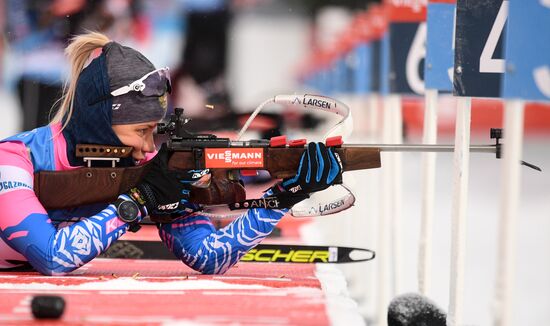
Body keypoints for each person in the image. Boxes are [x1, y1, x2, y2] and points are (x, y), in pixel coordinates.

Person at [0, 32, 342, 275]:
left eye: (154, 130)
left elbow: (209, 257)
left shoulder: (143, 166)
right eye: (140, 131)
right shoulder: (13, 159)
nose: (150, 148)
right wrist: (139, 199)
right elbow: (52, 257)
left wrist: (281, 197)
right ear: (100, 121)